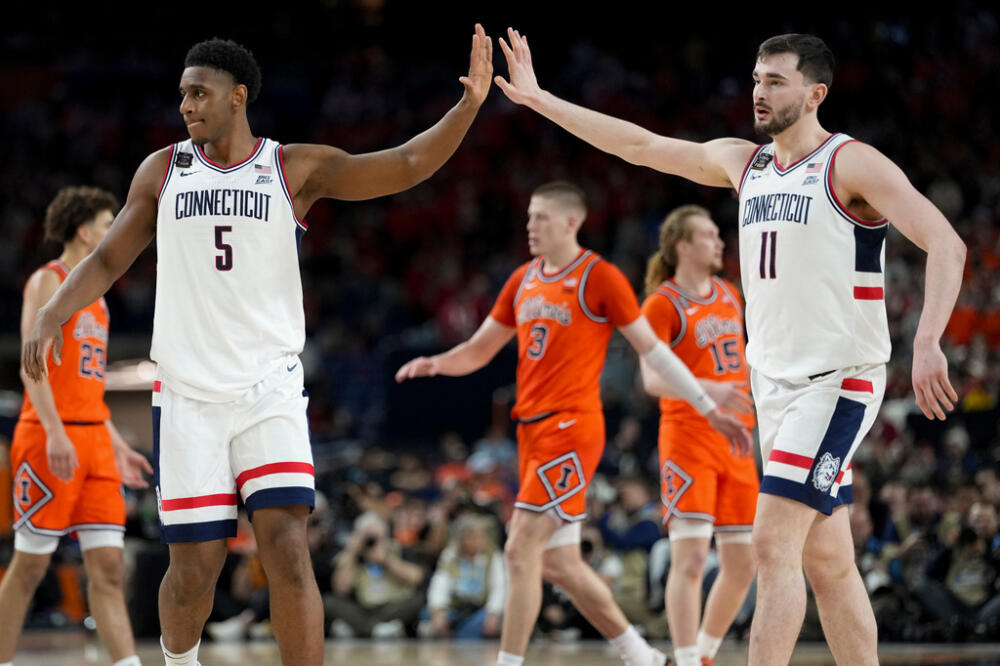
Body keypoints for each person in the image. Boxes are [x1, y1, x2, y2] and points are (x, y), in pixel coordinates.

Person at [23, 28, 494, 666]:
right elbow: (108, 257)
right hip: (188, 393)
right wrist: (55, 308)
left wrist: (466, 107)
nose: (185, 106)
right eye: (182, 95)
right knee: (195, 567)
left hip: (268, 385)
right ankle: (178, 660)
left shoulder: (291, 167)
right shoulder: (162, 171)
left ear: (238, 97)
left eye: (199, 94)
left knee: (288, 548)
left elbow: (407, 164)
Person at [493, 29, 965, 665]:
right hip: (771, 387)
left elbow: (945, 242)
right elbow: (640, 145)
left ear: (815, 92)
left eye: (775, 81)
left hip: (837, 381)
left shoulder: (850, 163)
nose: (759, 92)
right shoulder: (743, 162)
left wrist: (929, 338)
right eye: (755, 79)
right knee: (826, 559)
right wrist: (541, 99)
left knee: (771, 542)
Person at [396, 180, 751, 666]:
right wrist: (437, 363)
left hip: (572, 427)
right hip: (531, 431)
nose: (530, 226)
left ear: (571, 222)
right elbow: (479, 350)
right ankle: (644, 656)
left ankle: (509, 663)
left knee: (520, 549)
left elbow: (657, 355)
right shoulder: (522, 278)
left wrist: (709, 407)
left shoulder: (599, 277)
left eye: (540, 217)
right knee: (560, 564)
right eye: (527, 218)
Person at [1, 186, 152, 666]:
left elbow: (88, 388)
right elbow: (32, 365)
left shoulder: (99, 296)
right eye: (109, 225)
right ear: (85, 232)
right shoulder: (48, 281)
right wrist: (56, 431)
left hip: (92, 437)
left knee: (108, 567)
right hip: (51, 435)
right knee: (29, 566)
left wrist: (115, 445)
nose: (114, 234)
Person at [639, 205, 758, 666]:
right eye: (709, 235)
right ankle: (686, 658)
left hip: (737, 440)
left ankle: (705, 655)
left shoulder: (730, 294)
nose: (720, 242)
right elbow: (651, 379)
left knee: (743, 563)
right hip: (688, 438)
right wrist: (709, 389)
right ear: (682, 246)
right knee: (689, 560)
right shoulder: (661, 303)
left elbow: (745, 362)